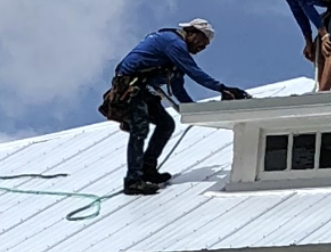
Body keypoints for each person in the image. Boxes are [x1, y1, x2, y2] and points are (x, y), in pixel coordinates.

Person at [100, 19, 249, 195]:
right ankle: (133, 180)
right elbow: (194, 71)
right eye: (201, 43)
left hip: (144, 90)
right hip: (131, 88)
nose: (201, 49)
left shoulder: (175, 57)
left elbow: (178, 89)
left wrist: (195, 112)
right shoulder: (173, 43)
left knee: (166, 124)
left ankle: (147, 168)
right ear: (192, 33)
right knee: (139, 129)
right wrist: (222, 88)